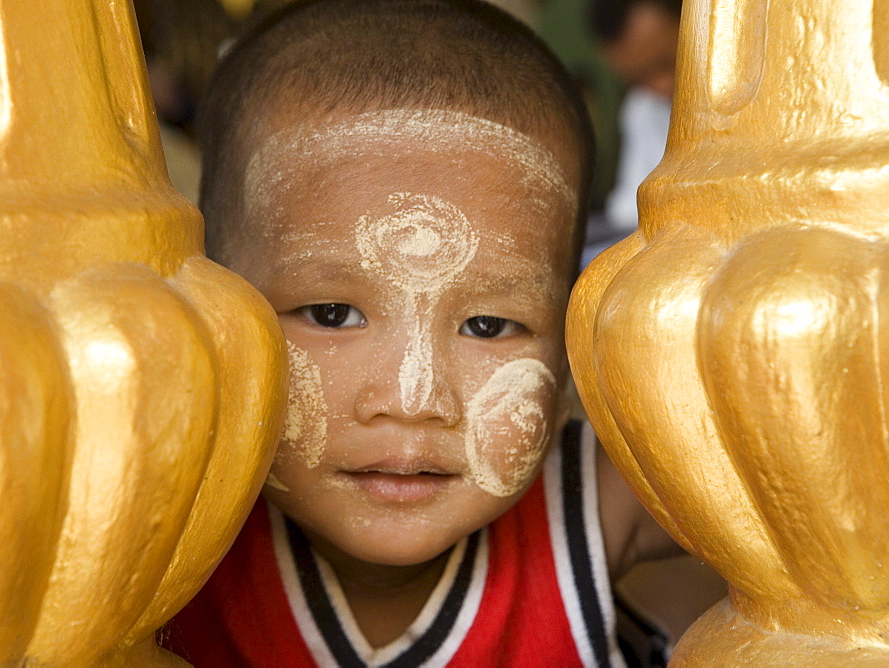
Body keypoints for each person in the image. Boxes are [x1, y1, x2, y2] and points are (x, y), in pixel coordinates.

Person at [162, 0, 679, 665]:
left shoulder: (587, 508)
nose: (412, 398)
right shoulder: (166, 533)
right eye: (331, 315)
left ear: (571, 340)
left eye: (488, 325)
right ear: (214, 307)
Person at [582, 0, 681, 267]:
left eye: (666, 63)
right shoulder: (643, 107)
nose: (661, 87)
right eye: (639, 79)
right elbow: (629, 209)